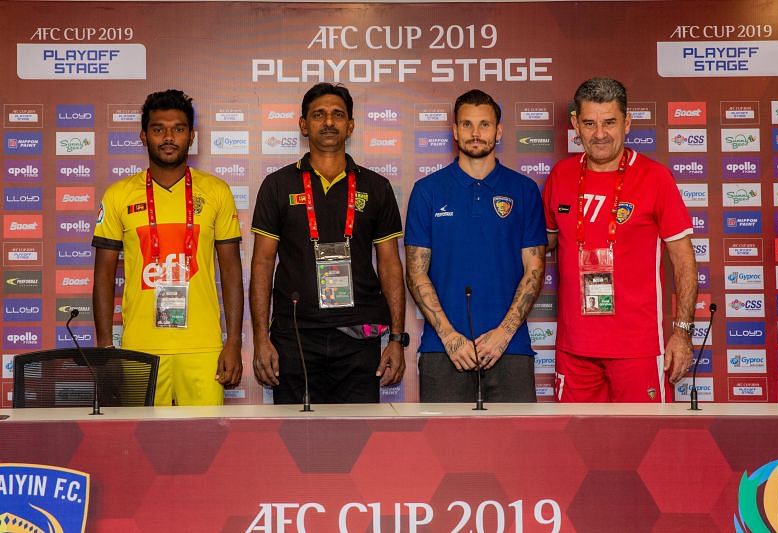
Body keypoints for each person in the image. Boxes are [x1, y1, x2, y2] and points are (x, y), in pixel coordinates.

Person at [250, 82, 406, 404]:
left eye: (338, 115)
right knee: (296, 441)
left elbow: (390, 264)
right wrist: (261, 340)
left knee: (356, 441)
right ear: (304, 125)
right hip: (294, 337)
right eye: (319, 115)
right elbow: (262, 264)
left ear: (350, 125)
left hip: (359, 337)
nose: (329, 122)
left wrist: (395, 339)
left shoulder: (376, 187)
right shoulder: (277, 185)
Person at [543, 77, 697, 402]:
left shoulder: (656, 178)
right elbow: (540, 247)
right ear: (575, 124)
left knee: (645, 445)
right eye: (589, 123)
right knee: (574, 448)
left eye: (610, 122)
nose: (600, 134)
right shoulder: (561, 175)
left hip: (638, 349)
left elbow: (684, 261)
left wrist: (682, 334)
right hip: (575, 349)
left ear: (627, 122)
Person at [93, 89, 244, 406]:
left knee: (206, 447)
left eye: (178, 128)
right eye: (158, 129)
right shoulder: (119, 195)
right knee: (142, 449)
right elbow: (104, 275)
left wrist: (232, 343)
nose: (168, 137)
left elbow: (231, 270)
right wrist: (106, 349)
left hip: (203, 347)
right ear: (143, 136)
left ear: (192, 136)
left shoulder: (216, 191)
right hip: (140, 348)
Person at [405, 89, 547, 402]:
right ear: (455, 131)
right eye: (467, 125)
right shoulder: (427, 191)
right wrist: (449, 336)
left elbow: (535, 270)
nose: (475, 133)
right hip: (443, 351)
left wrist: (503, 334)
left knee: (517, 450)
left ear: (498, 131)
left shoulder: (524, 191)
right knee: (442, 450)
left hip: (509, 350)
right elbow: (416, 273)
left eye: (484, 125)